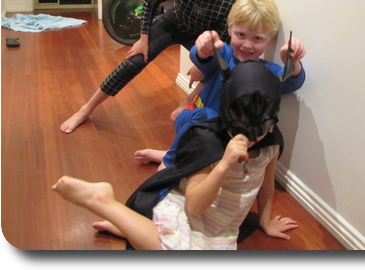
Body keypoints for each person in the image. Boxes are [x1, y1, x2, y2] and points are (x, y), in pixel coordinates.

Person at [52, 61, 298, 250]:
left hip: (223, 224)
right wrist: (223, 165)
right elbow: (195, 206)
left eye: (260, 127)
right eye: (240, 126)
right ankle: (103, 201)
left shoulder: (271, 143)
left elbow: (265, 181)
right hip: (192, 210)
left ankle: (131, 227)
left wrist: (265, 221)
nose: (251, 137)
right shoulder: (209, 142)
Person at [60, 0, 237, 133]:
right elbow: (149, 2)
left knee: (218, 70)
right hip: (171, 24)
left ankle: (187, 102)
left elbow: (222, 44)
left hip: (198, 37)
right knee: (133, 62)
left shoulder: (228, 1)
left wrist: (201, 65)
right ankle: (86, 108)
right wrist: (143, 39)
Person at [135, 0, 306, 167]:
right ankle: (174, 156)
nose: (247, 45)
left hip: (233, 137)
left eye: (257, 38)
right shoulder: (223, 53)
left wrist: (292, 62)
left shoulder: (265, 72)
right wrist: (203, 49)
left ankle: (170, 162)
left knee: (197, 122)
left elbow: (293, 82)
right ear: (230, 29)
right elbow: (199, 57)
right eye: (240, 34)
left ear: (269, 40)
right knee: (187, 118)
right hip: (204, 127)